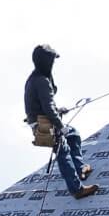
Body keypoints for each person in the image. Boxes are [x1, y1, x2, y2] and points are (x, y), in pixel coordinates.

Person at [24, 44, 99, 200]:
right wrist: (60, 126)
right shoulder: (43, 81)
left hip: (38, 122)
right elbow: (48, 108)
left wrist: (59, 111)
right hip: (44, 125)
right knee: (63, 151)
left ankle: (80, 168)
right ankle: (77, 189)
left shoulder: (33, 78)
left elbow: (42, 106)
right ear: (46, 62)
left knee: (73, 134)